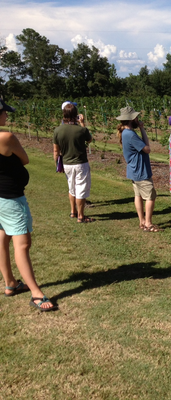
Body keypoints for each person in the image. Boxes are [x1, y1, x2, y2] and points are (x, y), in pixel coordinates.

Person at [0, 99, 57, 311]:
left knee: (2, 238)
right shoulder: (6, 137)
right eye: (4, 112)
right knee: (22, 244)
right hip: (10, 198)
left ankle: (10, 284)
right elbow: (25, 159)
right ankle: (35, 293)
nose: (6, 116)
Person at [116, 106, 160, 232]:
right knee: (150, 196)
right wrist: (142, 129)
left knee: (138, 195)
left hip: (133, 170)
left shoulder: (125, 132)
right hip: (140, 170)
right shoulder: (130, 134)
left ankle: (142, 221)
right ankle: (148, 223)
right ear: (132, 119)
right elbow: (147, 149)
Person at [53, 103, 94, 223]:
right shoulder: (81, 130)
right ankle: (81, 216)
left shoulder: (57, 130)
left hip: (67, 163)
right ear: (76, 114)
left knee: (71, 188)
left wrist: (57, 164)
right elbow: (90, 139)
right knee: (81, 188)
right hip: (80, 163)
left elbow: (56, 150)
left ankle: (73, 212)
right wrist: (82, 123)